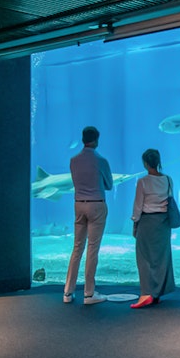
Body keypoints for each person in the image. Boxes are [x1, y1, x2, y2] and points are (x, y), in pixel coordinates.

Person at [64, 125, 113, 305]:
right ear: (96, 140)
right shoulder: (101, 161)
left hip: (78, 205)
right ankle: (89, 293)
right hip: (96, 205)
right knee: (92, 248)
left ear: (83, 139)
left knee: (77, 248)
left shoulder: (73, 160)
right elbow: (109, 185)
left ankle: (67, 292)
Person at [129, 149, 176, 308]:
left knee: (144, 258)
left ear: (145, 163)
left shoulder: (142, 182)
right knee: (161, 258)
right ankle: (157, 294)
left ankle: (146, 294)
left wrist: (135, 222)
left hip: (147, 222)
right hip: (163, 223)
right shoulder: (168, 180)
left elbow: (138, 205)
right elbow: (170, 200)